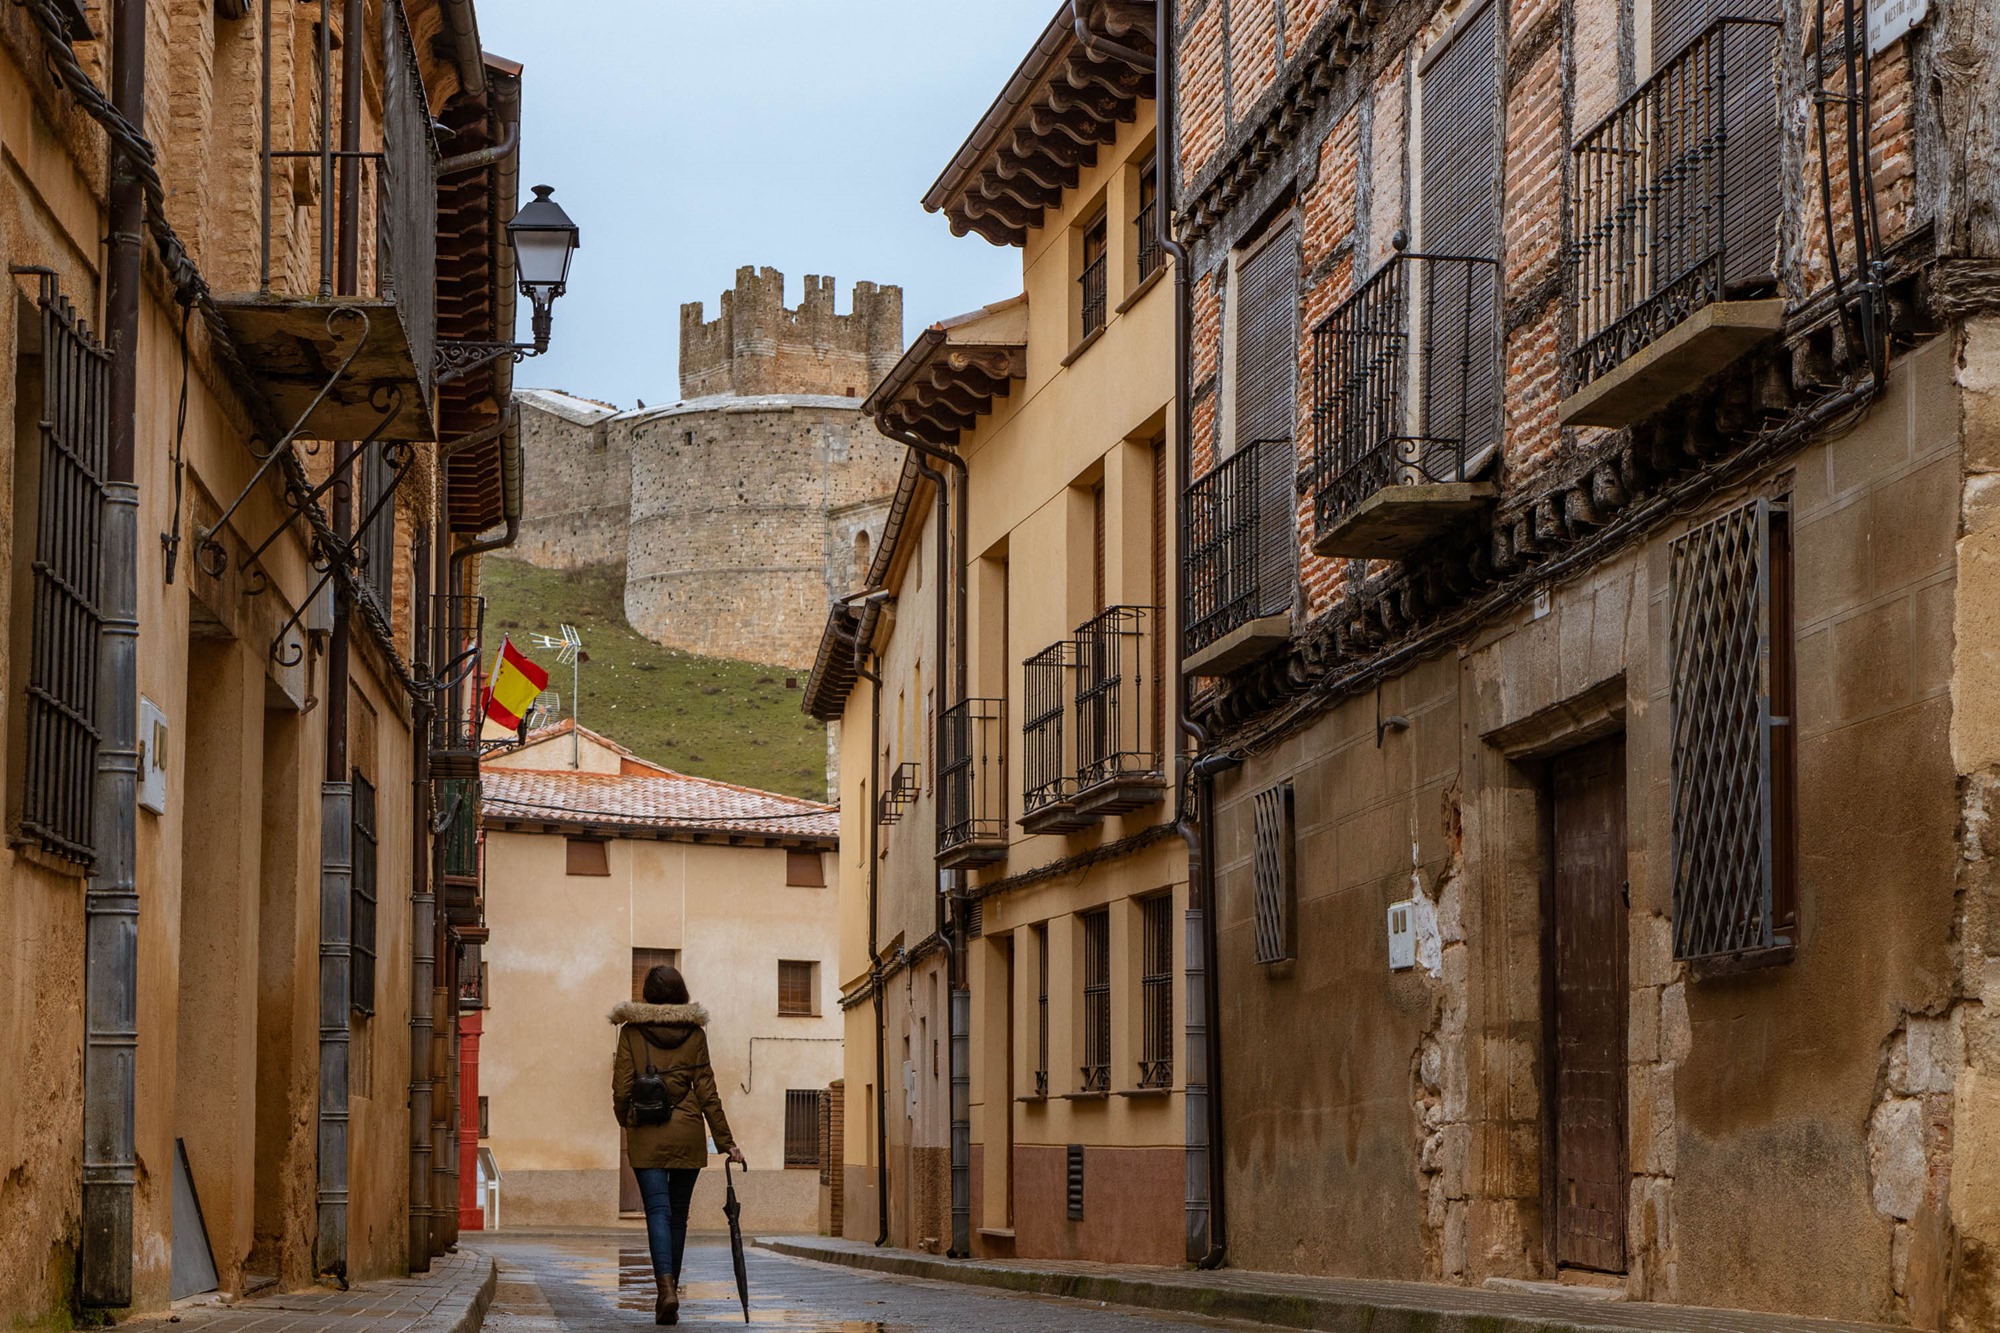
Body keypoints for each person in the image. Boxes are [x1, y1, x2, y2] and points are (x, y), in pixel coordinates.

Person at [611, 964, 745, 1325]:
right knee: (678, 1215)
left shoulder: (631, 1032)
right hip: (687, 1134)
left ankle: (665, 1288)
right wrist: (726, 1141)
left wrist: (626, 1118)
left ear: (647, 995)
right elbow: (707, 1092)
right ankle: (671, 1292)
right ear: (681, 993)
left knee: (657, 1211)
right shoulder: (695, 1034)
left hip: (646, 1132)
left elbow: (622, 1087)